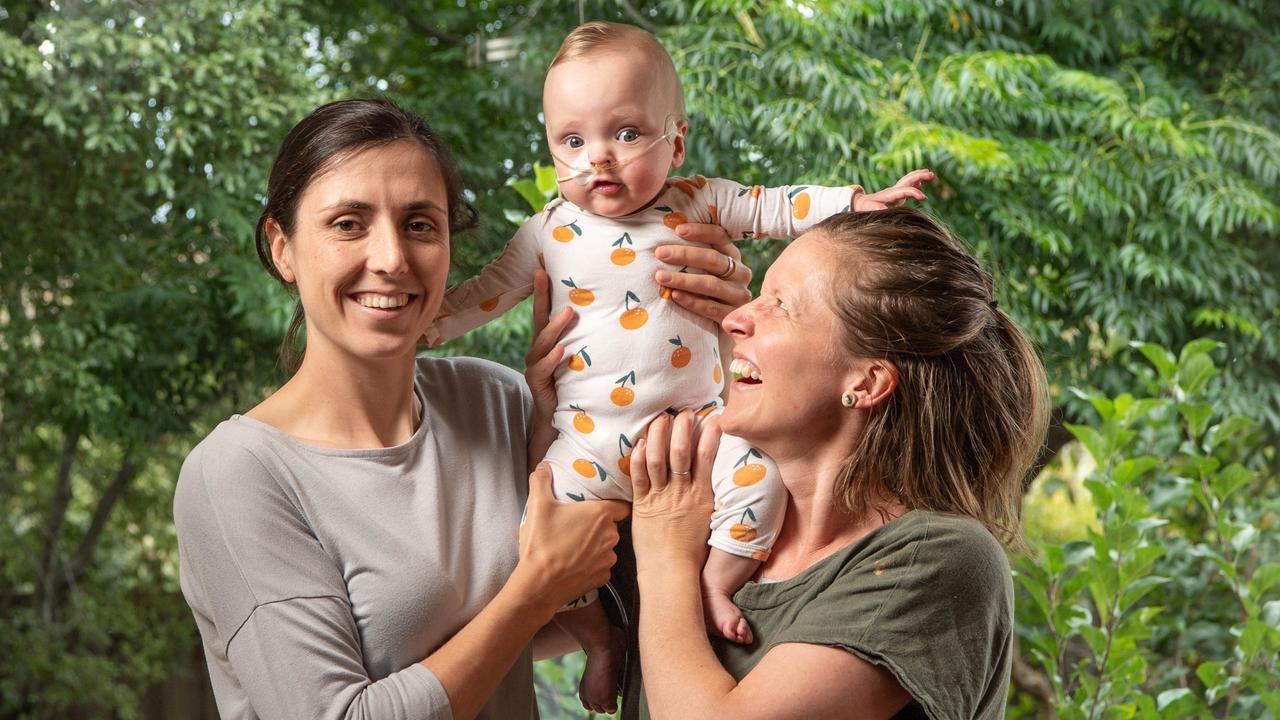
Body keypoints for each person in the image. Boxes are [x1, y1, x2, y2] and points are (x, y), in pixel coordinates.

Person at [171, 97, 752, 720]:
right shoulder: (238, 475)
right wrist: (533, 590)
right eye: (348, 223)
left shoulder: (496, 401)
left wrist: (714, 334)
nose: (392, 258)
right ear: (282, 248)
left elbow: (618, 585)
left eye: (420, 223)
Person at [420, 21, 933, 711]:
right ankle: (600, 640)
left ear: (676, 140)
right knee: (536, 532)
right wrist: (429, 322)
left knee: (758, 480)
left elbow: (773, 206)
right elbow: (485, 292)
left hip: (698, 433)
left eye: (626, 133)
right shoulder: (545, 231)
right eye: (573, 141)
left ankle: (714, 586)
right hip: (587, 440)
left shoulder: (696, 199)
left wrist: (853, 203)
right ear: (550, 147)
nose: (598, 157)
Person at [624, 207, 1050, 719]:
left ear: (865, 383)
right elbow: (531, 622)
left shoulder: (938, 559)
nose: (736, 319)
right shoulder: (708, 517)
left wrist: (665, 556)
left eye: (780, 305)